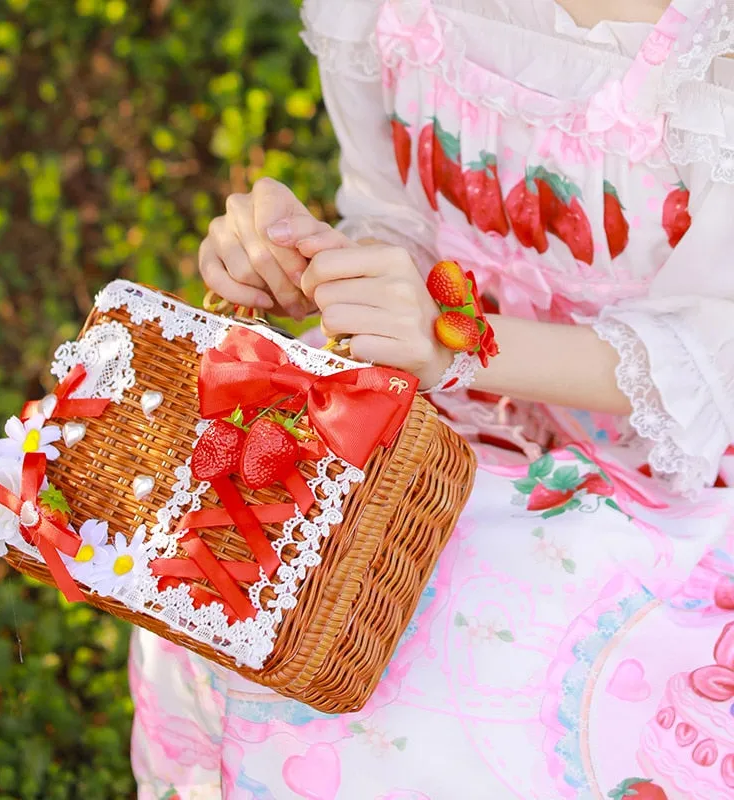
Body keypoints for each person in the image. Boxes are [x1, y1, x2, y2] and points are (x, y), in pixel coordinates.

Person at [129, 1, 734, 797]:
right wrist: (321, 262)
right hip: (435, 399)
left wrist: (454, 347)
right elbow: (396, 216)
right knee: (249, 578)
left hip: (661, 456)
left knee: (486, 699)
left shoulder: (707, 51)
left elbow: (705, 358)